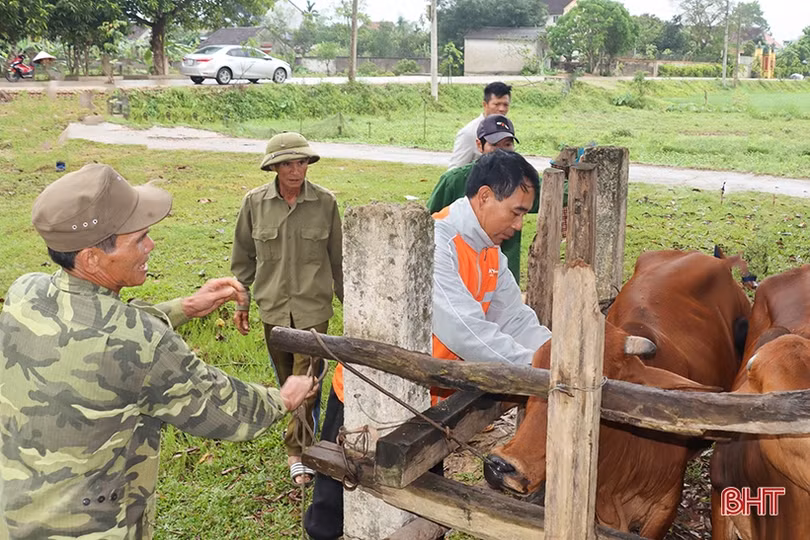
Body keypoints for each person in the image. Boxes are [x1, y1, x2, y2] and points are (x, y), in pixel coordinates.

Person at [0, 163, 317, 539]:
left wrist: (186, 307)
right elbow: (227, 412)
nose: (151, 246)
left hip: (16, 515)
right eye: (140, 239)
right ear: (91, 258)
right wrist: (284, 397)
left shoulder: (26, 292)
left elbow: (98, 327)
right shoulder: (143, 344)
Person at [304, 150, 551, 540]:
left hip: (428, 402)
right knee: (331, 512)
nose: (519, 224)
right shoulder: (438, 242)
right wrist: (543, 374)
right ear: (485, 197)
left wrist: (557, 355)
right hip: (370, 396)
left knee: (420, 504)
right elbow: (465, 331)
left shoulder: (489, 252)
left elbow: (515, 319)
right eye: (516, 212)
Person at [231, 131, 343, 486]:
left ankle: (299, 451)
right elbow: (243, 258)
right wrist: (242, 301)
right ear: (274, 168)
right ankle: (299, 430)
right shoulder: (254, 203)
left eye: (302, 163)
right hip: (273, 309)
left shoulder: (325, 203)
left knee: (307, 383)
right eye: (288, 164)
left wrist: (351, 305)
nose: (296, 171)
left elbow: (338, 260)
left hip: (313, 311)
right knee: (287, 383)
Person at [428, 114, 538, 285]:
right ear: (479, 145)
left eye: (507, 145)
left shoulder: (522, 185)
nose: (502, 152)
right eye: (495, 145)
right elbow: (428, 223)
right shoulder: (453, 181)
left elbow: (555, 192)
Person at [447, 81, 512, 169]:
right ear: (485, 105)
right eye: (497, 104)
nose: (502, 109)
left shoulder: (506, 129)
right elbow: (455, 171)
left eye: (505, 105)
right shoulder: (469, 133)